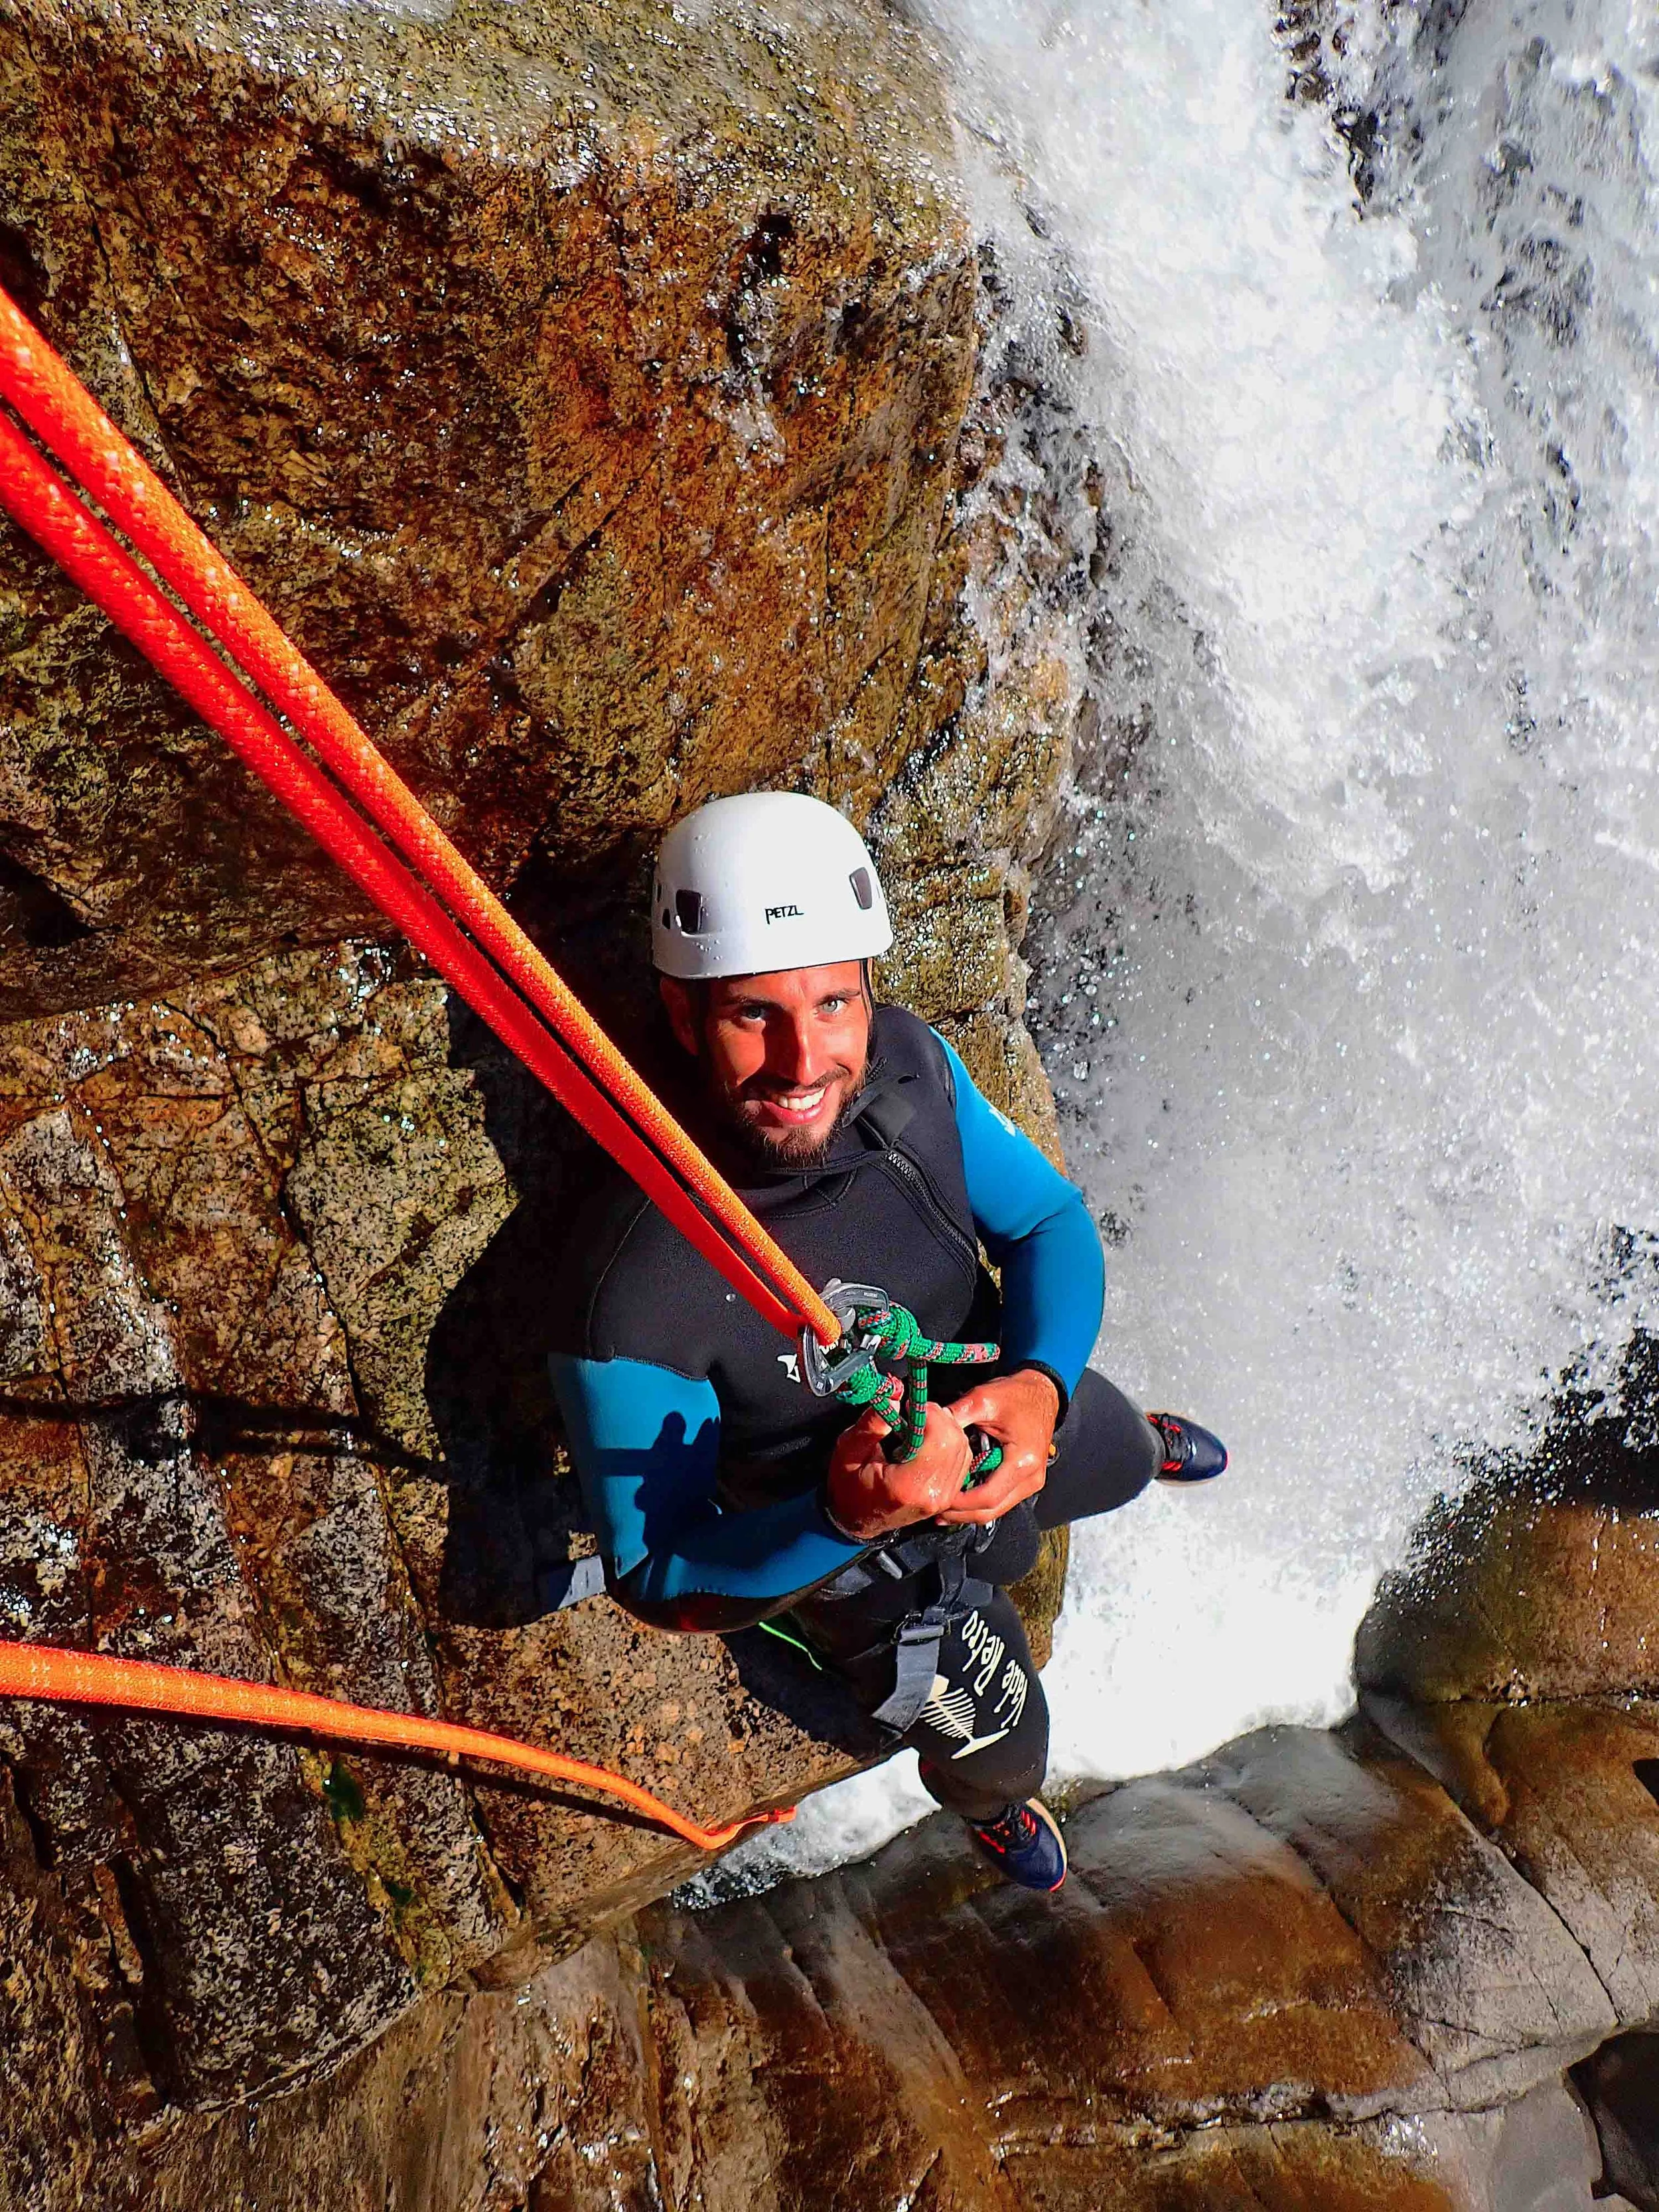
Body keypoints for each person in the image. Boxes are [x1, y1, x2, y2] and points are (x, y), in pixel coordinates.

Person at [549, 792, 1225, 1893]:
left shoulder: (908, 1071)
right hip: (867, 1555)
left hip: (998, 1411)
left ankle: (1132, 1436)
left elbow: (1049, 1222)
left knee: (1124, 1457)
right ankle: (995, 1810)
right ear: (682, 1016)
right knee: (1006, 1746)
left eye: (832, 1002)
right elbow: (656, 1573)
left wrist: (1044, 1387)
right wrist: (841, 1516)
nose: (801, 1059)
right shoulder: (637, 1287)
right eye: (749, 1015)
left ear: (869, 994)